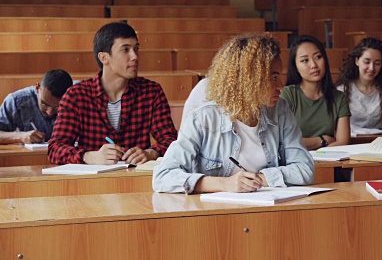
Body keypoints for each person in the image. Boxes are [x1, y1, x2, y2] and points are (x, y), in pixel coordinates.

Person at [153, 34, 314, 193]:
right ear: (249, 79)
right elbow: (162, 177)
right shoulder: (202, 119)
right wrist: (224, 184)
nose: (280, 85)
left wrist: (256, 180)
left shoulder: (281, 111)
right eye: (273, 77)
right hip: (216, 214)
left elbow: (305, 169)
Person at [48, 21, 177, 165]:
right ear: (104, 58)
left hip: (137, 178)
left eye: (136, 49)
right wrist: (89, 156)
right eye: (125, 50)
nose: (134, 56)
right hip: (91, 181)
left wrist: (151, 153)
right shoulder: (76, 95)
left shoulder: (151, 92)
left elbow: (171, 140)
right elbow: (55, 149)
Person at [280, 35, 351, 150]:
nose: (313, 65)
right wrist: (322, 140)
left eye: (318, 57)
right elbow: (284, 141)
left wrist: (317, 153)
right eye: (305, 60)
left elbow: (343, 142)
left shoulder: (339, 98)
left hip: (329, 162)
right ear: (296, 67)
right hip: (294, 163)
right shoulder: (288, 95)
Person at [0, 69, 73, 144]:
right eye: (44, 104)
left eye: (58, 107)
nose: (49, 112)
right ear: (38, 88)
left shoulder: (78, 100)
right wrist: (21, 136)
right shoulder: (16, 101)